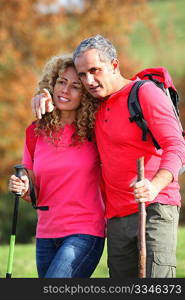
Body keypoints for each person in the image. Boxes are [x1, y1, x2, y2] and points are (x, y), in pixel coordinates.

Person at [31, 35, 185, 278]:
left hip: (154, 206)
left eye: (95, 70)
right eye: (83, 75)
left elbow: (176, 145)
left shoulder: (144, 93)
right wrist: (43, 94)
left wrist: (154, 186)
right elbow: (65, 99)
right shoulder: (95, 104)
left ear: (114, 65)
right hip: (116, 216)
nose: (89, 81)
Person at [8, 55, 105, 278]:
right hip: (46, 233)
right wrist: (22, 187)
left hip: (85, 231)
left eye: (75, 86)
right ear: (51, 85)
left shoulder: (96, 130)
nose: (65, 90)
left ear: (86, 93)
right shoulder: (35, 132)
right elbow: (33, 192)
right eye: (61, 82)